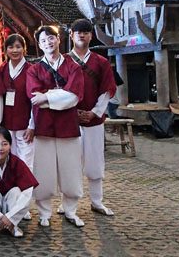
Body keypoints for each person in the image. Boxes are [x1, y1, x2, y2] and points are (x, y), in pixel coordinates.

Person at [26, 25, 85, 228]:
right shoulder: (34, 69)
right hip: (43, 127)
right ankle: (44, 212)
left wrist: (47, 96)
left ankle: (71, 210)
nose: (48, 43)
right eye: (43, 40)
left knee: (71, 170)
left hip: (68, 127)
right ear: (39, 45)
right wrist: (55, 96)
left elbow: (75, 95)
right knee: (43, 171)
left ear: (59, 39)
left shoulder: (73, 67)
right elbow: (34, 97)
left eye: (51, 38)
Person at [68, 19, 117, 217]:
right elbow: (57, 90)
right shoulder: (63, 61)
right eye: (78, 32)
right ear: (71, 34)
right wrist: (71, 112)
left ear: (91, 36)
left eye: (86, 32)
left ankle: (97, 201)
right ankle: (68, 204)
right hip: (69, 121)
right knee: (70, 163)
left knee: (95, 162)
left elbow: (107, 90)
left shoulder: (101, 62)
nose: (82, 35)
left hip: (94, 121)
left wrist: (94, 112)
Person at [0, 34, 35, 220]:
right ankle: (12, 204)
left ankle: (24, 207)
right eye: (11, 47)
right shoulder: (2, 70)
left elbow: (35, 101)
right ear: (6, 50)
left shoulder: (32, 70)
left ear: (24, 49)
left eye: (18, 46)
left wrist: (32, 125)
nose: (15, 50)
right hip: (7, 127)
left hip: (26, 127)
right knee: (8, 166)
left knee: (25, 167)